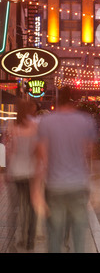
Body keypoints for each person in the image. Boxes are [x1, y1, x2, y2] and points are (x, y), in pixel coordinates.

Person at [33, 86, 97, 253]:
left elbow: (41, 157)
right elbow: (91, 153)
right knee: (79, 234)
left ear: (57, 100)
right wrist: (97, 183)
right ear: (75, 101)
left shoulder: (46, 122)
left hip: (54, 185)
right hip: (79, 184)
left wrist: (35, 190)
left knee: (54, 233)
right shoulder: (85, 121)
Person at [6, 99, 38, 251]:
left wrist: (5, 171)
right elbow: (37, 151)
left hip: (15, 173)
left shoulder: (12, 128)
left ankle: (14, 239)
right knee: (32, 208)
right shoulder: (35, 127)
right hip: (31, 172)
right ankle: (30, 240)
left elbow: (8, 151)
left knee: (16, 208)